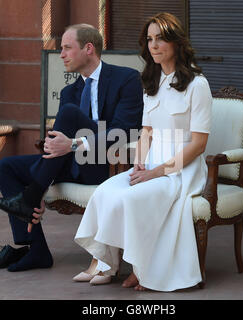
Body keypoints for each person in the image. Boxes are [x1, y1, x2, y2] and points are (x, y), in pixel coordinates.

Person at [0, 24, 144, 272]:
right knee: (6, 167)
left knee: (69, 114)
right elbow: (59, 142)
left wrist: (75, 143)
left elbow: (124, 131)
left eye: (67, 48)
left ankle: (31, 195)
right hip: (71, 163)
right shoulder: (70, 91)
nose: (62, 55)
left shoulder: (126, 78)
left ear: (88, 48)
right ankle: (35, 250)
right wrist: (55, 155)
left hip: (108, 163)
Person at [73, 12, 212, 291]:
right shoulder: (151, 82)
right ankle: (106, 263)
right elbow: (146, 132)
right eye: (149, 40)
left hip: (181, 170)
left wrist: (157, 172)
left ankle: (143, 268)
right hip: (150, 164)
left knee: (133, 198)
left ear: (176, 42)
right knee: (106, 191)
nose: (154, 45)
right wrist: (139, 164)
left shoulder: (197, 84)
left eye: (160, 39)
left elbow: (199, 144)